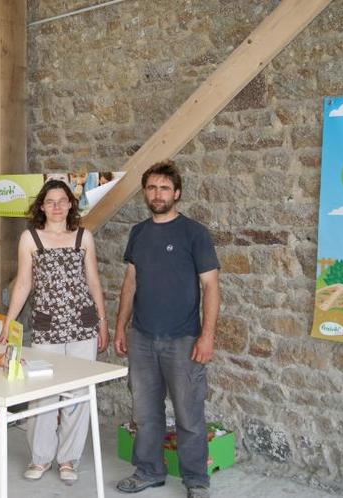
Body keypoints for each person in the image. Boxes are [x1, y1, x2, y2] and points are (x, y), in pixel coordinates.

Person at [114, 161, 220, 498]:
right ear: (145, 193)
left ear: (176, 194)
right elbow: (130, 283)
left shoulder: (194, 233)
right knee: (145, 413)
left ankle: (196, 480)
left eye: (164, 188)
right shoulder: (139, 233)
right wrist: (121, 327)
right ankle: (149, 471)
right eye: (151, 188)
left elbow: (211, 288)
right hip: (142, 337)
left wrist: (207, 336)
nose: (157, 194)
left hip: (183, 340)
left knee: (189, 415)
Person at [0, 179, 109, 484]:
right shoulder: (30, 239)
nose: (57, 207)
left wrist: (103, 321)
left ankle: (69, 459)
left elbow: (94, 282)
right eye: (50, 201)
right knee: (42, 394)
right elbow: (22, 284)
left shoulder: (83, 237)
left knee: (77, 395)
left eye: (62, 200)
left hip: (82, 326)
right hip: (46, 327)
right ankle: (41, 457)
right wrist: (8, 324)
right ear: (41, 206)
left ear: (71, 204)